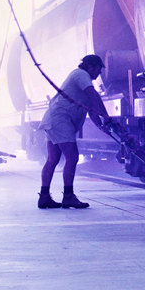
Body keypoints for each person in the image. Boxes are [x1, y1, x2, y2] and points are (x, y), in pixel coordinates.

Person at [38, 55, 110, 210]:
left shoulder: (83, 82)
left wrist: (103, 126)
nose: (99, 74)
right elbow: (94, 96)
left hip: (53, 119)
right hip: (60, 120)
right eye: (98, 69)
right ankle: (68, 197)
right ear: (90, 67)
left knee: (52, 159)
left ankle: (44, 197)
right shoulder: (81, 75)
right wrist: (108, 117)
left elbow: (92, 111)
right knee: (72, 156)